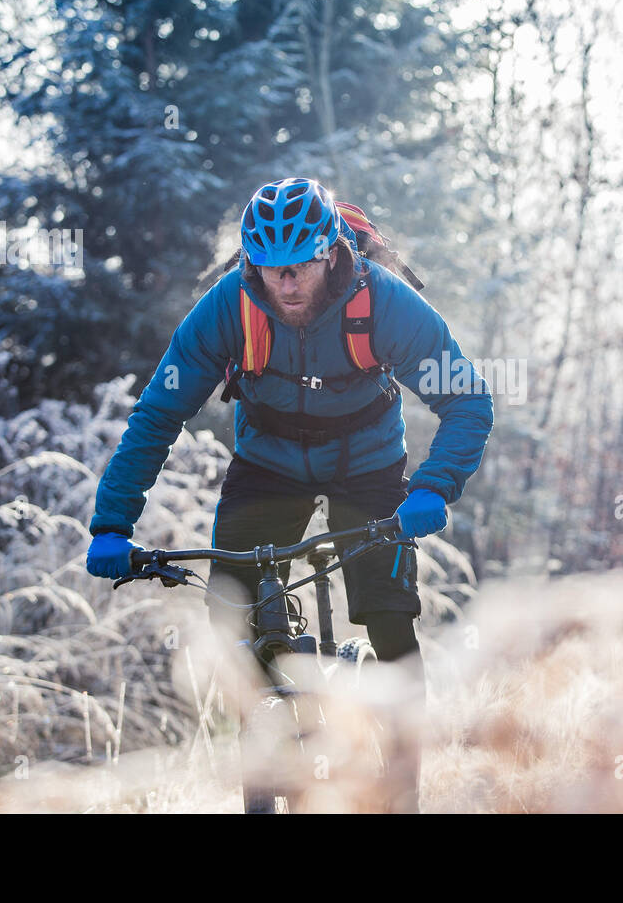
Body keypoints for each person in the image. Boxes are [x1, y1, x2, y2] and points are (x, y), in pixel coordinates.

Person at [84, 177, 494, 812]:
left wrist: (434, 486)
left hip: (368, 465)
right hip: (268, 462)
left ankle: (404, 793)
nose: (287, 283)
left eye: (300, 264)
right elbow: (158, 416)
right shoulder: (231, 306)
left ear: (331, 251)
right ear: (251, 261)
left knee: (389, 617)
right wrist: (111, 523)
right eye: (271, 268)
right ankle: (268, 756)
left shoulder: (382, 302)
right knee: (233, 610)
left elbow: (466, 399)